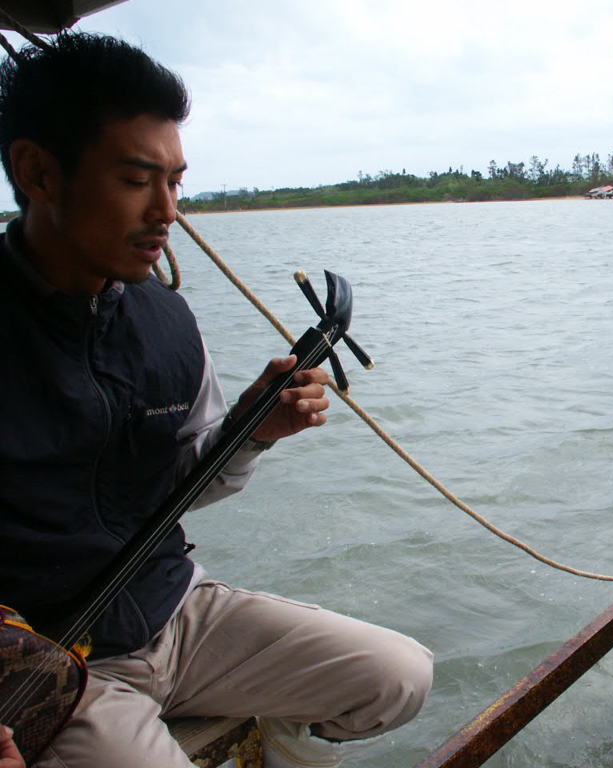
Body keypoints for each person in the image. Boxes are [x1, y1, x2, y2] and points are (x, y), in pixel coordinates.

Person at [0, 32, 432, 768]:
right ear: (39, 171)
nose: (167, 211)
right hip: (51, 662)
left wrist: (254, 433)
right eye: (138, 180)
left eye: (175, 181)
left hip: (175, 610)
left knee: (398, 678)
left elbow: (175, 490)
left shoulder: (166, 321)